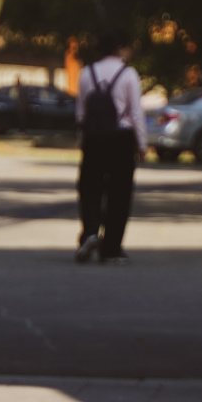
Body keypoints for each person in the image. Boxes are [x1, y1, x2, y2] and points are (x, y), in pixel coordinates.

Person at [74, 32, 148, 266]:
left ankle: (90, 233)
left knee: (90, 188)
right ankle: (111, 248)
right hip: (121, 138)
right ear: (121, 49)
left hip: (94, 138)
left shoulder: (87, 73)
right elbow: (136, 112)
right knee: (119, 193)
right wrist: (142, 143)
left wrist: (82, 138)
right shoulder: (128, 74)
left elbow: (81, 111)